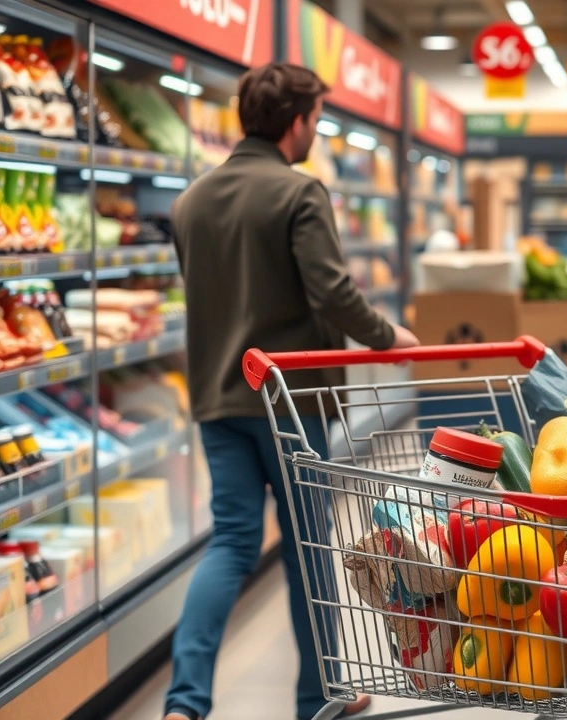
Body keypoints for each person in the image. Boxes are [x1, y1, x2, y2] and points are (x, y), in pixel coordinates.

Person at [163, 63, 418, 720]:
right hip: (290, 402)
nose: (316, 132)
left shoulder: (190, 202)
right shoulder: (300, 194)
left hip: (220, 400)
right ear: (296, 122)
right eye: (317, 120)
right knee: (307, 548)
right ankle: (318, 697)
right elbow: (332, 294)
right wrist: (390, 336)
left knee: (232, 544)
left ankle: (184, 702)